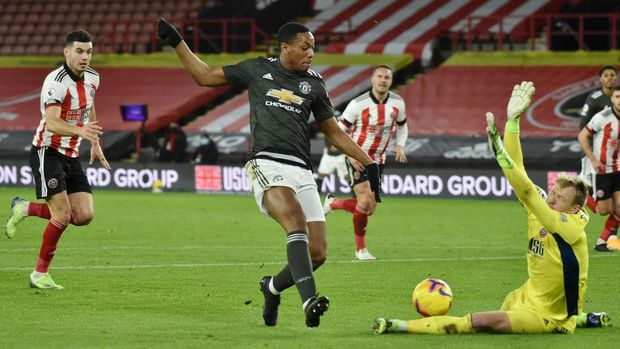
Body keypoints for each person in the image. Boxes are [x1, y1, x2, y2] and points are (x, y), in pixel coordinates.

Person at [157, 18, 381, 327]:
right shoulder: (257, 69)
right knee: (295, 221)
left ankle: (271, 288)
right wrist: (178, 41)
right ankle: (309, 301)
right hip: (266, 163)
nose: (311, 53)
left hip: (302, 171)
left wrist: (368, 161)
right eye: (305, 47)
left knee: (317, 253)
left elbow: (333, 132)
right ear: (285, 47)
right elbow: (204, 76)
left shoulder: (315, 84)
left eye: (313, 48)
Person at [373, 81, 609, 335]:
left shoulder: (572, 227)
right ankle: (587, 318)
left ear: (574, 209)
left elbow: (528, 191)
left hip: (551, 317)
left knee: (482, 322)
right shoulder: (541, 209)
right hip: (523, 298)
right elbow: (520, 173)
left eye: (559, 198)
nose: (551, 199)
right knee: (502, 311)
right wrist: (513, 123)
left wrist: (498, 151)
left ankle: (398, 325)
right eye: (552, 193)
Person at [3, 30, 110, 289]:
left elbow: (90, 107)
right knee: (62, 215)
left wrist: (95, 142)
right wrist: (80, 131)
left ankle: (25, 208)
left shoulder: (93, 78)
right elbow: (51, 122)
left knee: (84, 215)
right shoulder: (55, 81)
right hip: (47, 151)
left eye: (89, 51)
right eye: (79, 51)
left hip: (71, 155)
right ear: (66, 52)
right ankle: (39, 274)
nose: (85, 57)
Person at [322, 65, 408, 260]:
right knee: (364, 201)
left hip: (379, 160)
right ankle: (360, 249)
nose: (383, 80)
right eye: (379, 76)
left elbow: (403, 126)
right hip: (357, 157)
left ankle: (333, 203)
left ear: (391, 81)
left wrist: (401, 145)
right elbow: (338, 131)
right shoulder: (357, 104)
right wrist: (351, 155)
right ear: (372, 79)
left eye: (387, 77)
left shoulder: (398, 103)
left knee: (369, 210)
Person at [577, 65, 619, 251]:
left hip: (617, 166)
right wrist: (592, 157)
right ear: (600, 79)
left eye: (613, 75)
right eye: (606, 75)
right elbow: (583, 130)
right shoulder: (597, 105)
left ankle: (604, 241)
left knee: (619, 209)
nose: (609, 78)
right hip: (597, 159)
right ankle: (582, 193)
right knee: (604, 210)